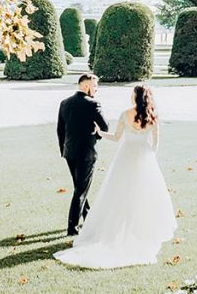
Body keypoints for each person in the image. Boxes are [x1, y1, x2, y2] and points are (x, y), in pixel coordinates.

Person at [54, 84, 176, 269]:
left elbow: (117, 137)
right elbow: (155, 144)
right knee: (145, 196)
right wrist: (148, 157)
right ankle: (142, 231)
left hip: (125, 158)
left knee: (119, 194)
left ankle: (115, 230)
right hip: (145, 158)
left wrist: (100, 132)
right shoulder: (153, 116)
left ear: (135, 97)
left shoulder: (125, 114)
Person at [57, 73, 109, 236]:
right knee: (80, 190)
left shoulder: (64, 103)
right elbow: (105, 127)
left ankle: (88, 217)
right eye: (95, 86)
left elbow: (60, 130)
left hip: (69, 152)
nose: (96, 90)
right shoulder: (93, 104)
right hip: (86, 153)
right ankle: (72, 228)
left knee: (79, 188)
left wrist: (64, 150)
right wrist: (97, 134)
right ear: (86, 86)